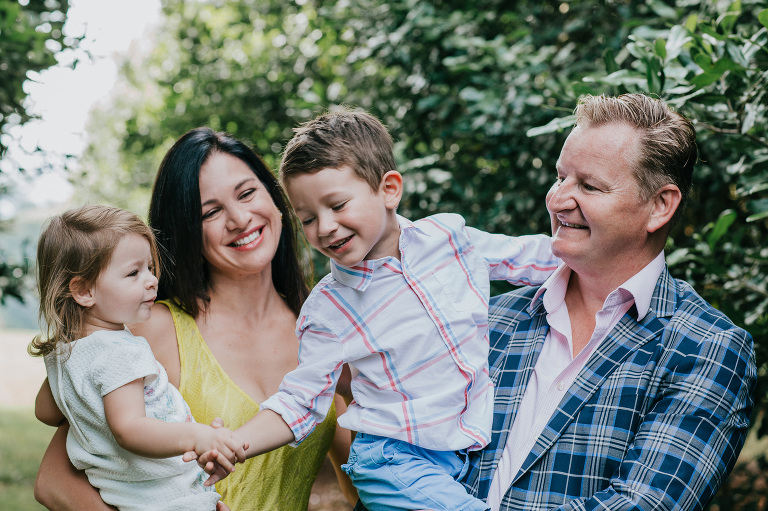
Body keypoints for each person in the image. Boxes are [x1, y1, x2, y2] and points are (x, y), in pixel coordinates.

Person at [196, 109, 560, 511]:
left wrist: (616, 252)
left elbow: (533, 257)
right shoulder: (329, 309)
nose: (326, 227)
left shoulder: (449, 240)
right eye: (309, 219)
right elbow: (300, 401)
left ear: (388, 189)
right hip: (392, 462)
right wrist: (237, 444)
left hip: (461, 448)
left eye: (337, 205)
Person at [33, 128, 357, 510]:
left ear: (275, 197)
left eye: (247, 193)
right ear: (187, 230)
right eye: (211, 211)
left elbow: (365, 482)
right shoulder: (142, 330)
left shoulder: (326, 337)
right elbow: (53, 481)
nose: (239, 218)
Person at [459, 93, 756, 510]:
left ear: (659, 206)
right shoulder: (491, 319)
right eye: (560, 177)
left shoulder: (707, 349)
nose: (558, 199)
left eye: (589, 186)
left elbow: (643, 505)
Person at [29, 204, 247, 511]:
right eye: (133, 273)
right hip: (166, 497)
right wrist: (197, 435)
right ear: (84, 291)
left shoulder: (65, 354)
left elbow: (46, 413)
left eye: (149, 268)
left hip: (129, 498)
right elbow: (129, 429)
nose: (151, 280)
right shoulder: (122, 351)